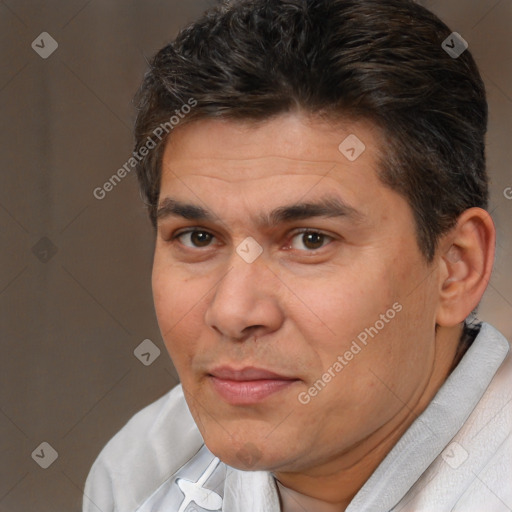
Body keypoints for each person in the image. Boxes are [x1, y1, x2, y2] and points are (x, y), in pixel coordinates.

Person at [83, 0, 512, 510]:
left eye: (310, 240)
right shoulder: (141, 471)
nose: (233, 312)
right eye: (198, 237)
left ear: (455, 269)